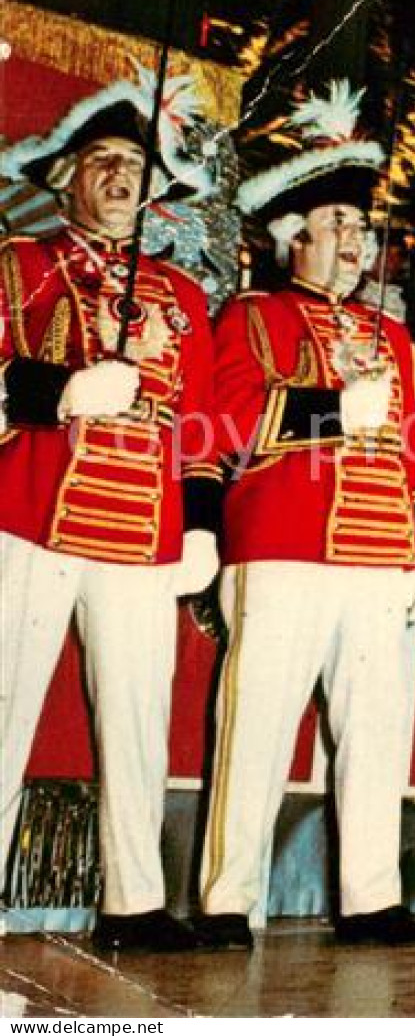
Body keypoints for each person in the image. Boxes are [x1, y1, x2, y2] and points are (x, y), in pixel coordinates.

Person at [196, 81, 415, 949]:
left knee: (375, 731)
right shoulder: (252, 315)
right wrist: (337, 411)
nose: (355, 239)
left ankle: (370, 897)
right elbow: (231, 420)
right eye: (337, 222)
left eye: (360, 225)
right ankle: (228, 899)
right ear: (291, 237)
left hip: (377, 555)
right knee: (256, 729)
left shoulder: (389, 336)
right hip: (284, 546)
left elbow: (414, 451)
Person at [0, 68, 217, 952]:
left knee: (137, 720)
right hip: (34, 513)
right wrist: (59, 391)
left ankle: (134, 901)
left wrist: (201, 524)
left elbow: (201, 424)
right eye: (104, 161)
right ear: (66, 178)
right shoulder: (22, 265)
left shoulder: (183, 297)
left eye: (135, 163)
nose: (123, 176)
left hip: (143, 530)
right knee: (2, 708)